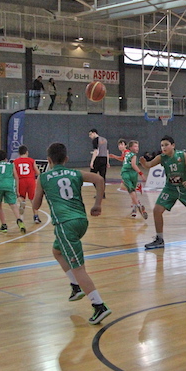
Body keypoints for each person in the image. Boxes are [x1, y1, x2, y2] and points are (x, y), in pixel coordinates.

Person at [32, 142, 112, 325]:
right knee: (57, 251)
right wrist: (98, 204)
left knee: (79, 268)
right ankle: (75, 286)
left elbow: (36, 205)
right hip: (81, 221)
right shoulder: (75, 173)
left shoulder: (44, 177)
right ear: (66, 159)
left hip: (64, 225)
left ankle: (99, 305)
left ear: (49, 160)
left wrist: (40, 193)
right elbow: (99, 179)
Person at [0, 150, 26, 234]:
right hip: (9, 185)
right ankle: (19, 220)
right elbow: (16, 177)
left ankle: (4, 225)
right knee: (13, 205)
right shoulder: (11, 165)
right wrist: (17, 190)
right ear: (5, 158)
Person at [13, 145, 41, 224]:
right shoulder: (31, 160)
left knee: (21, 197)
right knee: (33, 199)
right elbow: (38, 172)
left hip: (21, 180)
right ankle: (36, 217)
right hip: (30, 180)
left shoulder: (15, 162)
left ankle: (21, 217)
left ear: (19, 153)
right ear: (26, 152)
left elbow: (14, 174)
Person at [121, 140, 148, 219]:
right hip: (129, 173)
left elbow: (127, 161)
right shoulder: (133, 155)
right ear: (130, 147)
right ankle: (138, 206)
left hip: (129, 173)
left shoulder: (127, 153)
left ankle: (136, 206)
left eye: (137, 146)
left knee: (131, 190)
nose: (137, 148)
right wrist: (141, 174)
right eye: (135, 146)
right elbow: (133, 165)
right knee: (131, 190)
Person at [88, 129, 108, 198]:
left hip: (98, 159)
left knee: (92, 176)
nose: (90, 136)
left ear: (94, 133)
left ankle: (100, 192)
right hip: (104, 159)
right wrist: (107, 161)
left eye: (90, 134)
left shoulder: (95, 140)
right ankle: (102, 193)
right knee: (102, 177)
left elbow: (96, 151)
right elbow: (107, 151)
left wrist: (92, 162)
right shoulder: (104, 140)